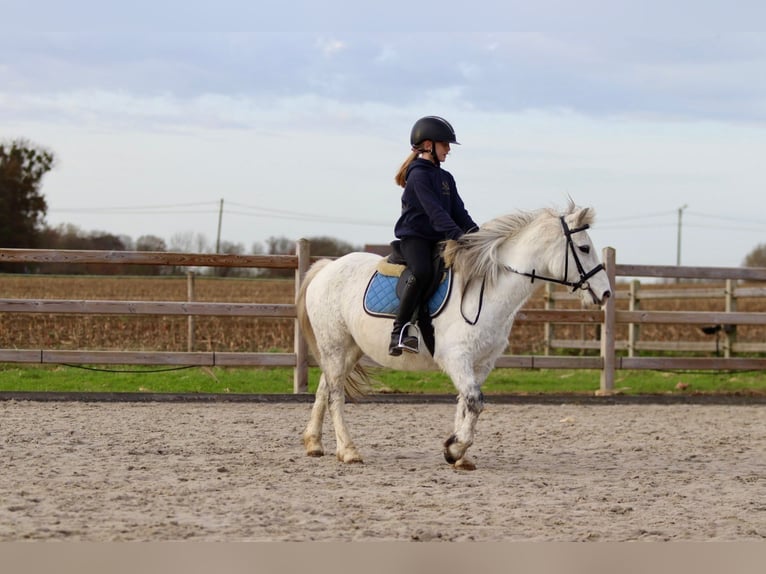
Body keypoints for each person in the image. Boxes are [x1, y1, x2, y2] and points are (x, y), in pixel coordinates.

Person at [389, 116, 478, 356]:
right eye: (445, 144)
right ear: (428, 145)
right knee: (423, 271)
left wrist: (478, 239)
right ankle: (398, 331)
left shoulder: (446, 178)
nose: (448, 149)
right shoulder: (417, 176)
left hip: (438, 241)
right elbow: (436, 214)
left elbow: (460, 213)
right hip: (415, 239)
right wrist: (458, 237)